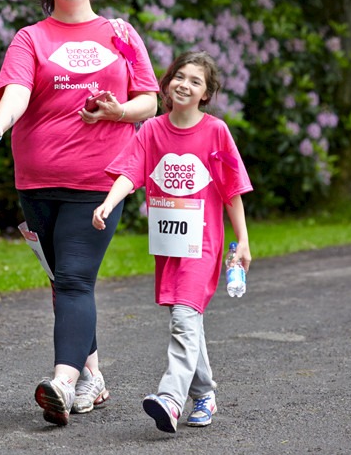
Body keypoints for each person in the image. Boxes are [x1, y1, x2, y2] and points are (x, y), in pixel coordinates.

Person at [0, 0, 159, 426]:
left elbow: (149, 103)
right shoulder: (31, 38)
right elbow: (15, 92)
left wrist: (118, 111)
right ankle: (92, 375)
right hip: (36, 181)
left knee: (74, 278)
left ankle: (63, 381)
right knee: (64, 282)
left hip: (101, 177)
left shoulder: (120, 34)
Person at [91, 50, 252, 433]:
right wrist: (108, 203)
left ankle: (170, 398)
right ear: (167, 82)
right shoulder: (151, 130)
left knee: (183, 319)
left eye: (196, 81)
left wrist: (242, 241)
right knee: (187, 320)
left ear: (205, 94)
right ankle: (206, 395)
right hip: (169, 245)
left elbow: (232, 191)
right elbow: (131, 172)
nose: (185, 85)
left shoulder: (216, 132)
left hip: (205, 244)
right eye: (180, 76)